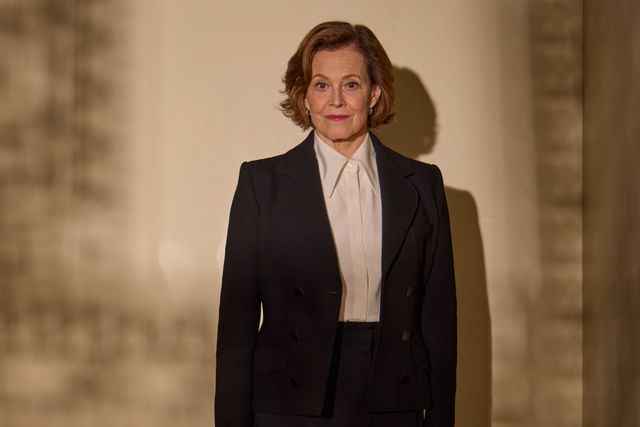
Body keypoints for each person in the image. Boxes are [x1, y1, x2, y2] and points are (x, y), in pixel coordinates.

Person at [215, 21, 456, 427]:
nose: (337, 101)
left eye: (352, 84)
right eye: (322, 85)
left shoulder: (422, 183)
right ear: (304, 96)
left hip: (393, 399)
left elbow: (440, 323)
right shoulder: (262, 183)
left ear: (374, 93)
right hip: (289, 402)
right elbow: (235, 331)